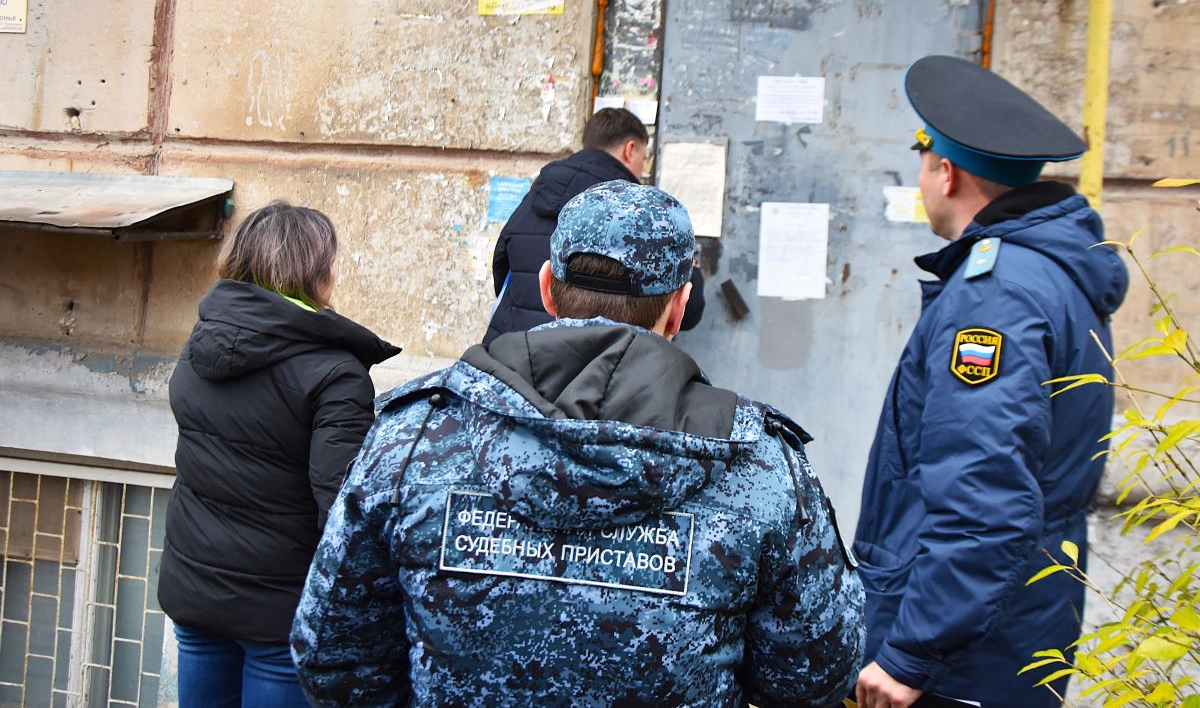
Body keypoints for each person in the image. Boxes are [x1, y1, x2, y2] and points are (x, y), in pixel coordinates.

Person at [293, 180, 864, 706]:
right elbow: (814, 677)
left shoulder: (412, 436)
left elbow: (332, 655)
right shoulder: (758, 464)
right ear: (678, 308)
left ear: (547, 287)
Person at [853, 56, 1129, 708]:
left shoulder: (995, 295)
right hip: (1015, 616)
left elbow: (984, 493)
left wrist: (911, 652)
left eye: (924, 161)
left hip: (966, 648)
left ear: (945, 173)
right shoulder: (1048, 270)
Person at [158, 200, 400, 707]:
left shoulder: (202, 340)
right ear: (316, 273)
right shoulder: (336, 374)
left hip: (195, 587)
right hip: (278, 610)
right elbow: (341, 508)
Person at [484, 107, 704, 345]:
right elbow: (687, 311)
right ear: (630, 149)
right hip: (604, 356)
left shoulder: (537, 195)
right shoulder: (642, 215)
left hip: (514, 346)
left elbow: (500, 266)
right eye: (643, 157)